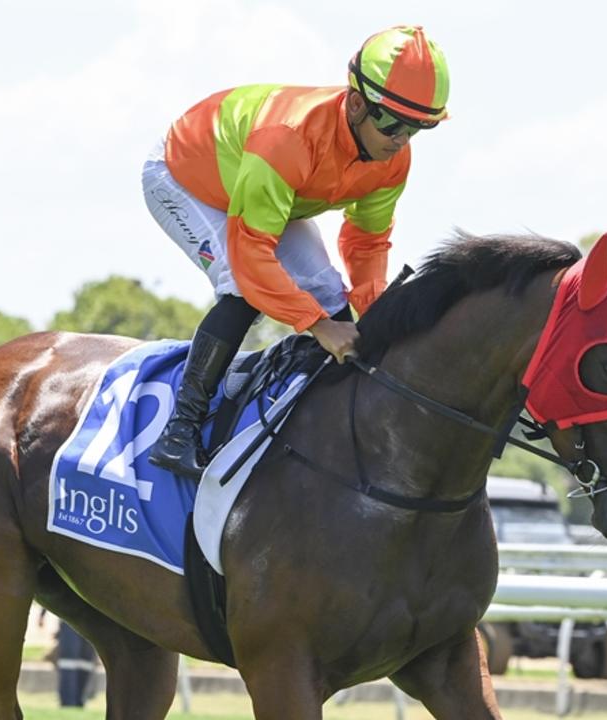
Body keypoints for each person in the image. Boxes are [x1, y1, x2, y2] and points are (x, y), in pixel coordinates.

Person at [143, 25, 450, 479]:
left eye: (417, 128)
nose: (400, 139)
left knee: (329, 293)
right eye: (392, 123)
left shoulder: (392, 161)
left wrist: (376, 318)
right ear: (358, 101)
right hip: (184, 176)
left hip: (262, 192)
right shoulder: (289, 138)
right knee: (240, 288)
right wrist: (316, 325)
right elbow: (253, 261)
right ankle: (179, 431)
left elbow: (366, 243)